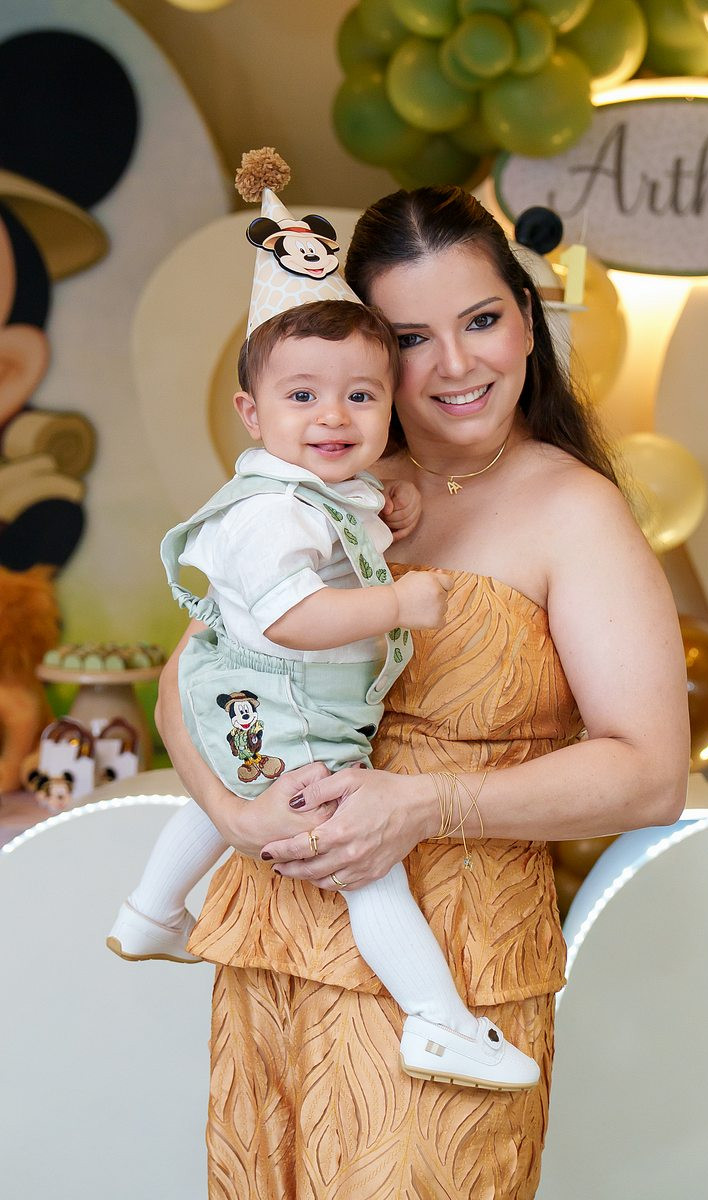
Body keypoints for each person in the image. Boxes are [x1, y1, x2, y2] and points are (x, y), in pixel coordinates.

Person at [155, 180, 689, 1199]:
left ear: (525, 319)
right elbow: (192, 677)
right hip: (276, 943)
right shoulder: (317, 486)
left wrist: (423, 804)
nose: (453, 364)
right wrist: (237, 814)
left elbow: (650, 775)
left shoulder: (573, 512)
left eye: (480, 320)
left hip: (453, 974)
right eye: (409, 338)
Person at [109, 154, 540, 1093]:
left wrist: (385, 506)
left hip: (252, 710)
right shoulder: (271, 510)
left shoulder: (323, 489)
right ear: (250, 412)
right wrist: (398, 602)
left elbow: (339, 525)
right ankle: (437, 1019)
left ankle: (150, 909)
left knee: (236, 784)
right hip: (291, 707)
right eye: (302, 396)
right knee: (362, 863)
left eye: (359, 395)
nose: (333, 417)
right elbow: (291, 614)